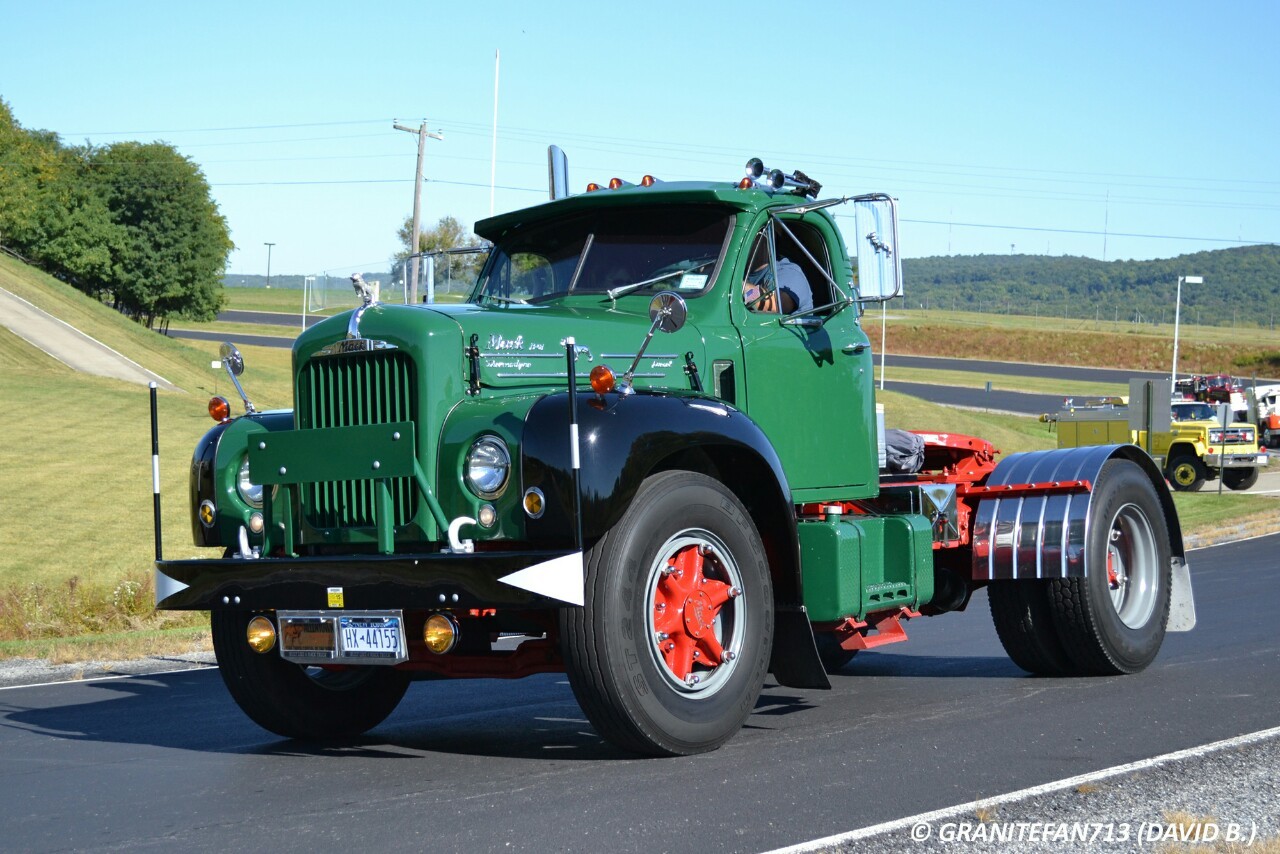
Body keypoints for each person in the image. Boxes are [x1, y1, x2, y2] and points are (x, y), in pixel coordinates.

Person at [742, 235, 813, 315]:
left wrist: (738, 286)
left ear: (764, 241)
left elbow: (775, 304)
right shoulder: (741, 273)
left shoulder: (790, 273)